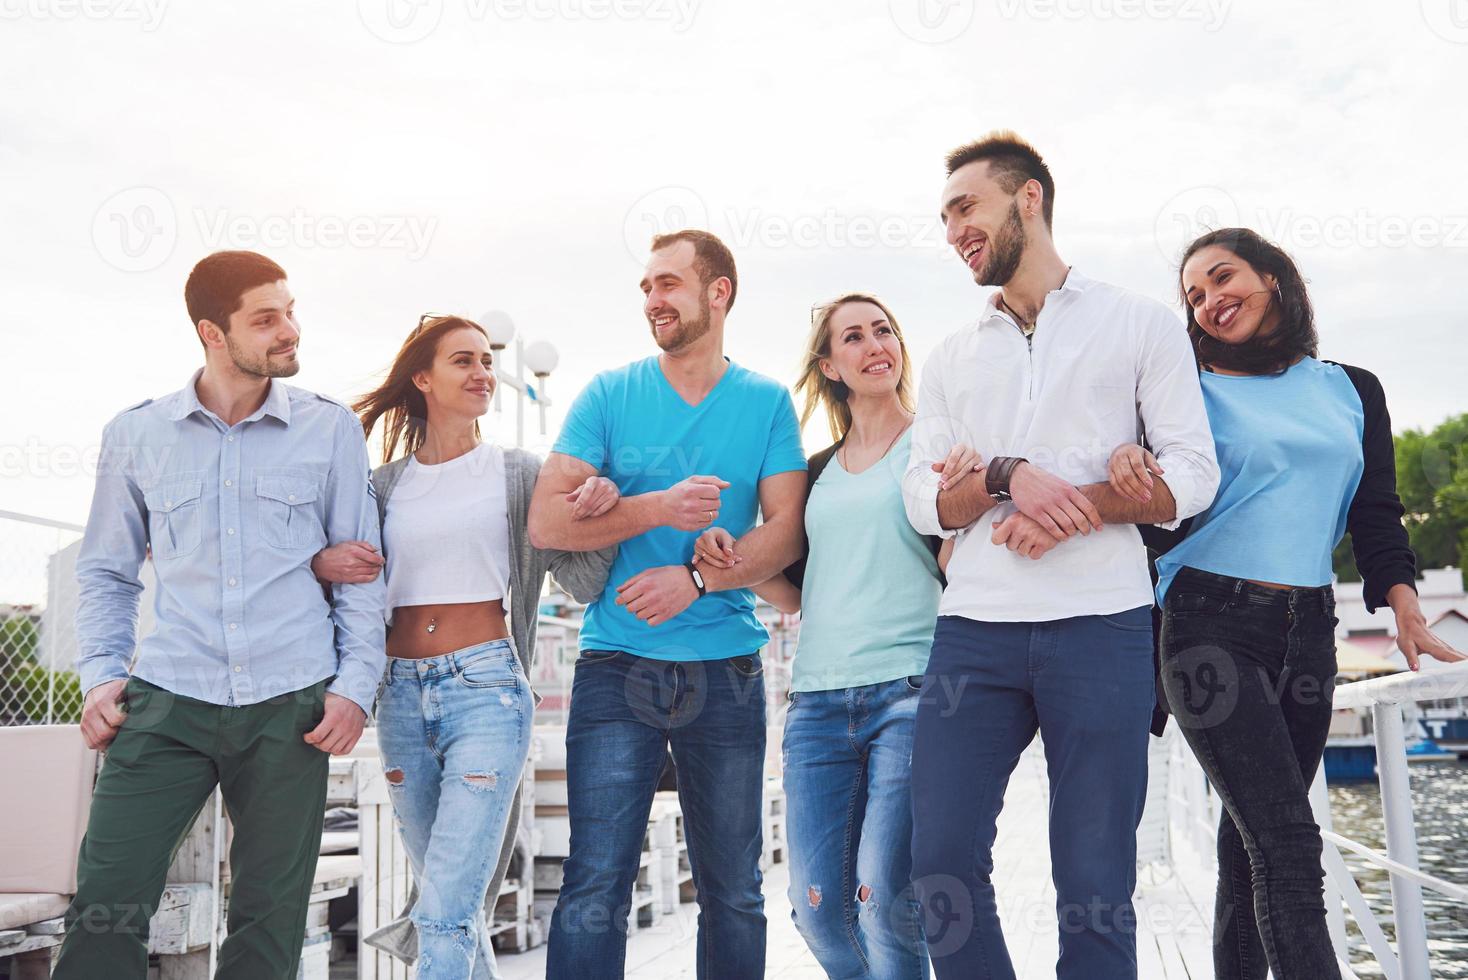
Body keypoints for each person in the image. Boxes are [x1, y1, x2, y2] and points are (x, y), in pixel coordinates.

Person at [901, 132, 1221, 980]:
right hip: (974, 631)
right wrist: (1009, 477)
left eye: (966, 207)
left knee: (1095, 884)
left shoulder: (1142, 324)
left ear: (1029, 198)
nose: (953, 231)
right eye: (943, 218)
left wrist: (1074, 510)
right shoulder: (947, 358)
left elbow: (1192, 475)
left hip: (1103, 626)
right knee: (937, 866)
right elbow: (924, 500)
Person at [1111, 227, 1465, 980]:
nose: (1208, 301)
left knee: (1251, 852)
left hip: (1309, 631)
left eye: (1222, 277)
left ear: (1273, 278)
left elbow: (1376, 511)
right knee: (1288, 842)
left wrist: (1402, 602)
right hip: (1207, 626)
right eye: (1193, 296)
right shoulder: (1184, 390)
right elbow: (1151, 517)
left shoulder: (1352, 388)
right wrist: (1131, 465)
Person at [57, 250, 386, 980]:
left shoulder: (329, 430)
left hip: (290, 703)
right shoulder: (136, 435)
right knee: (106, 902)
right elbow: (108, 571)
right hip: (167, 697)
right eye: (266, 319)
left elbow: (363, 572)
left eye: (291, 311)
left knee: (270, 917)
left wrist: (356, 686)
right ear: (212, 332)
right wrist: (103, 674)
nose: (290, 330)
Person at [529, 229, 808, 979]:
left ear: (718, 293)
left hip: (727, 669)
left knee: (734, 891)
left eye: (668, 284)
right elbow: (546, 522)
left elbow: (786, 534)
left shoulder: (766, 402)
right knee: (594, 882)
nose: (653, 300)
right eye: (647, 287)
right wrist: (655, 508)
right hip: (615, 666)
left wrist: (701, 579)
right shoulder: (610, 394)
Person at [309, 314, 618, 978]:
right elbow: (346, 590)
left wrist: (601, 513)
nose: (483, 373)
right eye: (464, 361)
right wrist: (321, 562)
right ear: (422, 378)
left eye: (486, 360)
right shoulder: (382, 486)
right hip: (397, 697)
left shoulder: (518, 474)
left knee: (443, 909)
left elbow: (586, 580)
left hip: (486, 692)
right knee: (453, 906)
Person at [695, 293, 953, 979]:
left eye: (885, 331)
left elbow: (963, 564)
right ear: (830, 364)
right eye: (855, 337)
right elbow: (798, 592)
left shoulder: (933, 450)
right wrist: (735, 565)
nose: (876, 345)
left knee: (882, 894)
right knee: (816, 908)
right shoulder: (815, 473)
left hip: (911, 692)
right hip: (816, 706)